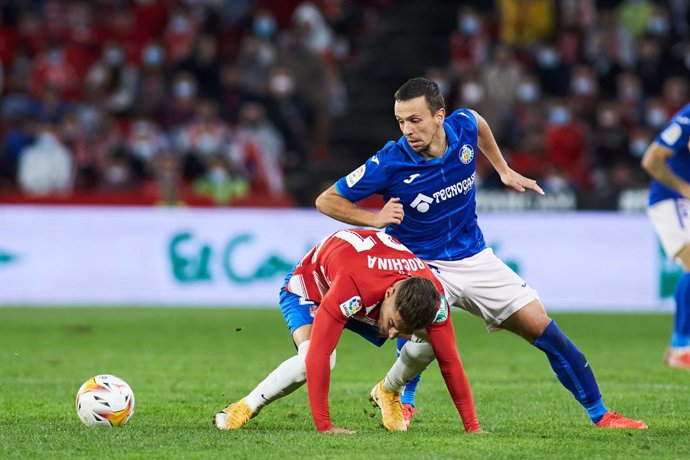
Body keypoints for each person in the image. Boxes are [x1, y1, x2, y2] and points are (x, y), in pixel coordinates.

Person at [316, 77, 648, 430]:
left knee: (543, 327)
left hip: (474, 256)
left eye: (415, 120)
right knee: (422, 322)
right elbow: (327, 200)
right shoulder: (390, 161)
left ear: (440, 116)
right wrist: (374, 218)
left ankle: (601, 415)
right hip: (419, 262)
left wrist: (503, 169)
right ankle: (402, 398)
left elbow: (480, 124)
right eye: (401, 121)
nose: (407, 130)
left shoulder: (463, 127)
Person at [213, 228, 482, 434]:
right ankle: (246, 406)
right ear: (389, 294)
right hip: (315, 290)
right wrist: (325, 425)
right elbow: (320, 351)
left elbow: (450, 361)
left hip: (364, 300)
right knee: (314, 360)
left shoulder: (434, 301)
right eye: (392, 325)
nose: (390, 335)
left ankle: (388, 390)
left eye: (401, 331)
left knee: (432, 344)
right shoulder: (354, 284)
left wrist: (472, 427)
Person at [641, 102, 690, 368]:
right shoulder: (687, 119)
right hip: (671, 200)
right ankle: (681, 348)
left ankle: (678, 347)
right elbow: (651, 159)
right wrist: (683, 188)